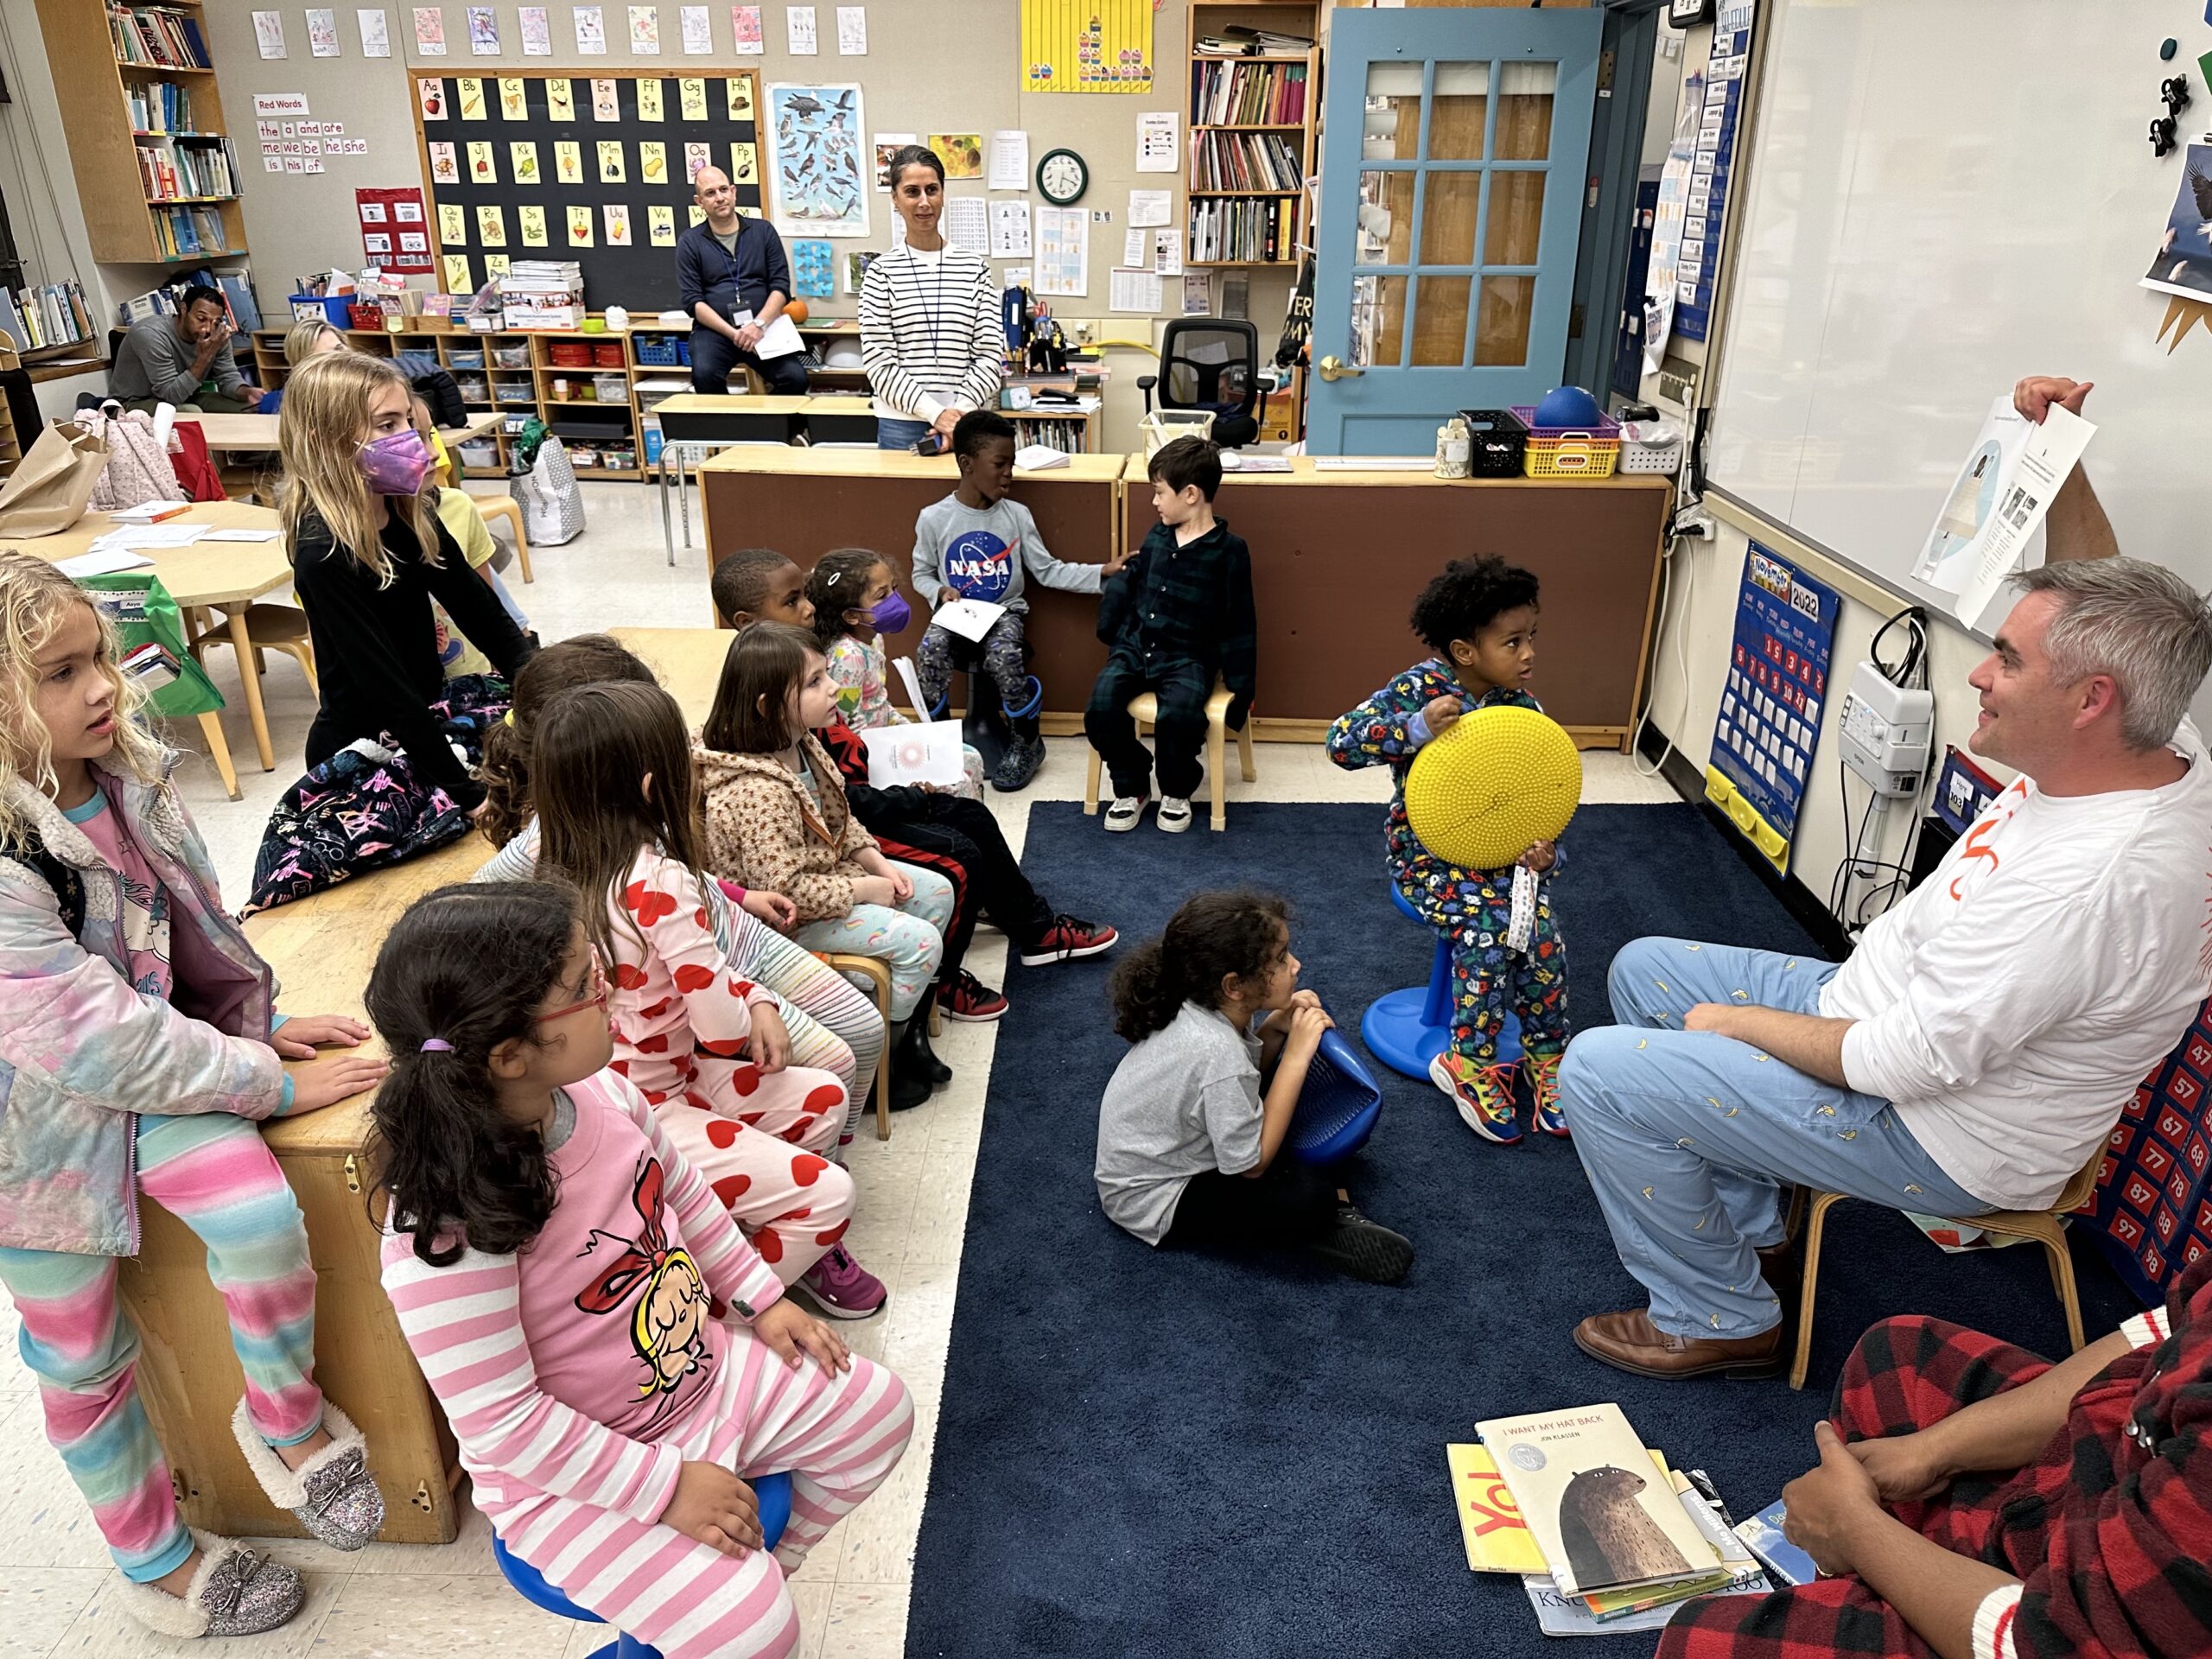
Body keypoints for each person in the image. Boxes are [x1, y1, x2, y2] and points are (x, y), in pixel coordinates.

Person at [1563, 376, 2212, 1380]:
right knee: (1649, 971)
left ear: (2088, 701)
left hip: (1938, 1132)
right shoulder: (2156, 734)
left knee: (1601, 1072)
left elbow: (1901, 1064)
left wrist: (1736, 1027)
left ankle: (1719, 1318)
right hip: (1882, 1009)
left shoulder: (2096, 886)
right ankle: (1753, 1231)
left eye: (2003, 659)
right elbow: (2099, 590)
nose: (1976, 676)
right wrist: (2059, 458)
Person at [0, 553, 391, 1637]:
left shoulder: (127, 777)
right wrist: (265, 1081)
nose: (99, 690)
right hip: (26, 1146)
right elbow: (88, 1034)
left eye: (98, 662)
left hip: (157, 1077)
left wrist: (254, 1025)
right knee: (80, 1359)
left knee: (260, 1218)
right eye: (59, 673)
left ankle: (289, 1426)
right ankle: (154, 1559)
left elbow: (184, 932)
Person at [372, 880, 912, 1659]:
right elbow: (507, 1425)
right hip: (573, 1477)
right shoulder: (445, 1227)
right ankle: (705, 1620)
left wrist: (763, 1301)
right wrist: (665, 1489)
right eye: (585, 985)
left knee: (877, 1413)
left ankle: (706, 1613)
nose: (612, 988)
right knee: (753, 1629)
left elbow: (687, 1203)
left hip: (701, 1379)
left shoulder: (601, 1093)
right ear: (509, 1055)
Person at [531, 679, 886, 1320]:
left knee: (824, 1098)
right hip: (648, 1109)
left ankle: (722, 1242)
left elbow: (702, 991)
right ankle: (713, 1317)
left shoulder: (557, 873)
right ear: (650, 787)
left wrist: (754, 1000)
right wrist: (751, 1004)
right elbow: (721, 1030)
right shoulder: (659, 881)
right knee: (831, 1194)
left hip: (639, 1090)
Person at [1659, 1262, 2212, 1659]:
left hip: (2076, 1618)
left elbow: (2052, 1641)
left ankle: (1905, 1591)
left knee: (1702, 1641)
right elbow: (2152, 1339)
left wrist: (1854, 1529)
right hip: (2107, 1484)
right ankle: (1914, 1589)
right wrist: (1932, 1452)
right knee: (1897, 1356)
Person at [475, 633, 886, 1136]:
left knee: (862, 1033)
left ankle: (820, 1145)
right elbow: (472, 909)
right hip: (692, 979)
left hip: (731, 938)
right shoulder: (551, 838)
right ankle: (806, 1154)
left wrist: (738, 897)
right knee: (834, 1062)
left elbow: (678, 871)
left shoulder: (636, 803)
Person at [714, 550, 1119, 1027]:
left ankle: (1032, 928)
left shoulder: (802, 682)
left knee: (968, 811)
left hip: (853, 816)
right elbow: (837, 807)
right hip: (841, 835)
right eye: (793, 601)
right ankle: (947, 978)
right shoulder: (778, 702)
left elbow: (839, 782)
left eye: (805, 595)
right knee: (959, 852)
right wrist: (912, 800)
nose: (808, 609)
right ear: (748, 622)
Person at [1325, 556, 1567, 1143]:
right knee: (1486, 934)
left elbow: (1544, 796)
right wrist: (1414, 729)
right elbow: (1341, 743)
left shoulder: (1522, 707)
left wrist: (1547, 855)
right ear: (1464, 651)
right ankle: (1470, 1062)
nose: (1529, 653)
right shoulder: (1420, 689)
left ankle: (1547, 1056)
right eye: (1513, 642)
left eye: (1531, 636)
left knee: (1540, 935)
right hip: (1428, 858)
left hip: (1504, 857)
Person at [1096, 890, 1414, 1285]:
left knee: (1293, 1122)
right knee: (1309, 1193)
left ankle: (1327, 1209)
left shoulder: (1201, 1006)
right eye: (1280, 959)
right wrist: (1296, 1056)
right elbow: (1251, 1165)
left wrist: (1275, 1029)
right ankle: (1327, 1221)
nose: (1295, 965)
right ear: (1234, 985)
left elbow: (1237, 1081)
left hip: (1164, 1153)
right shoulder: (1217, 1052)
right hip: (1154, 1199)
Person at [696, 623, 955, 1095]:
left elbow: (839, 816)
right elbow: (785, 894)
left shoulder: (802, 741)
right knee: (919, 942)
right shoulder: (756, 792)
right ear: (768, 706)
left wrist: (877, 863)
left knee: (936, 890)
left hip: (831, 880)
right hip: (784, 922)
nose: (833, 686)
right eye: (815, 682)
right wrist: (866, 890)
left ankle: (906, 1024)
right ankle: (880, 1059)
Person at [278, 350, 534, 815]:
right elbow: (385, 688)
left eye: (408, 422)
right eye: (387, 424)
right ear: (326, 441)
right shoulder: (323, 553)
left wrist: (546, 695)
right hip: (368, 750)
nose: (412, 440)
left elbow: (482, 612)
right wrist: (469, 795)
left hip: (427, 721)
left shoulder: (409, 513)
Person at [912, 411, 1130, 791]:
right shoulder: (933, 518)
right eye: (1000, 464)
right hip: (955, 614)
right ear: (966, 464)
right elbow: (921, 574)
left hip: (1003, 614)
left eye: (1011, 463)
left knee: (1004, 656)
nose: (1009, 473)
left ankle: (1027, 742)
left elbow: (1048, 570)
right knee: (930, 650)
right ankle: (940, 742)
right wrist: (938, 592)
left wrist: (1101, 573)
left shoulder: (1016, 516)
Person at [1088, 435, 1257, 835]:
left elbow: (1240, 621)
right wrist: (1111, 624)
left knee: (1181, 719)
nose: (1154, 502)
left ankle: (1176, 789)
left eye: (1159, 492)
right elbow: (1134, 580)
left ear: (1192, 494)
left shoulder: (1230, 550)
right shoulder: (1159, 534)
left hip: (1188, 656)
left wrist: (1241, 688)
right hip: (1135, 647)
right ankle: (1132, 784)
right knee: (1100, 707)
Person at [807, 545, 987, 799]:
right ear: (851, 616)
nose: (893, 600)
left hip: (887, 737)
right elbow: (848, 726)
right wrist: (895, 754)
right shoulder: (849, 657)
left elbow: (878, 701)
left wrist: (910, 730)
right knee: (957, 780)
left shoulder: (874, 638)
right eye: (882, 596)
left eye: (894, 589)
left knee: (970, 757)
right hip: (870, 757)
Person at [859, 145, 1004, 451]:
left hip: (969, 422)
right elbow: (879, 363)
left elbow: (990, 354)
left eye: (932, 190)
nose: (924, 202)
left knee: (968, 502)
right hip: (902, 424)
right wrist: (936, 414)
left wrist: (957, 418)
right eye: (912, 192)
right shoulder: (880, 273)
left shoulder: (974, 268)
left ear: (942, 194)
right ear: (895, 199)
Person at [676, 166, 809, 396]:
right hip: (716, 331)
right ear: (699, 201)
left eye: (723, 189)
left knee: (796, 378)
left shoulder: (763, 232)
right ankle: (731, 431)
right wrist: (734, 333)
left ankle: (767, 429)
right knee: (704, 376)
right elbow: (692, 301)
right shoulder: (690, 242)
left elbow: (780, 286)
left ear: (734, 192)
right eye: (710, 193)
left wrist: (758, 325)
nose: (719, 197)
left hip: (764, 327)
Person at [110, 285, 262, 414]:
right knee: (191, 412)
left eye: (215, 322)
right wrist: (205, 357)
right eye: (201, 319)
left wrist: (247, 392)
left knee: (253, 408)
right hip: (131, 404)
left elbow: (227, 377)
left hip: (187, 395)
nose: (207, 328)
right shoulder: (150, 334)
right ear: (183, 309)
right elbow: (170, 396)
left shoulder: (217, 334)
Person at [256, 318, 348, 414]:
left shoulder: (362, 393)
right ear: (302, 368)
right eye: (323, 358)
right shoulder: (277, 404)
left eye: (339, 349)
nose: (338, 359)